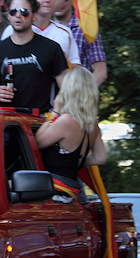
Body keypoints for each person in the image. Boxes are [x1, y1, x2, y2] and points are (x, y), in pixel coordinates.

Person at [0, 0, 69, 114]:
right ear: (8, 16)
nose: (18, 16)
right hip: (6, 120)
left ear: (34, 16)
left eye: (24, 12)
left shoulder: (51, 48)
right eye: (13, 11)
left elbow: (67, 87)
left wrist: (56, 113)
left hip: (39, 118)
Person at [35, 67, 107, 199]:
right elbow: (100, 158)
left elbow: (37, 142)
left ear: (69, 90)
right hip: (72, 192)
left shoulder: (67, 121)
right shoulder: (92, 124)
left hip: (54, 191)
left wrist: (55, 112)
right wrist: (71, 159)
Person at [1, 0, 80, 68]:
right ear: (30, 1)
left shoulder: (64, 32)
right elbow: (3, 64)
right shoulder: (12, 30)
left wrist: (63, 61)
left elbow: (77, 69)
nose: (47, 0)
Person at [54, 0, 107, 86]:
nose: (61, 3)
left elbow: (101, 72)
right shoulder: (40, 30)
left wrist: (81, 95)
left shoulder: (86, 29)